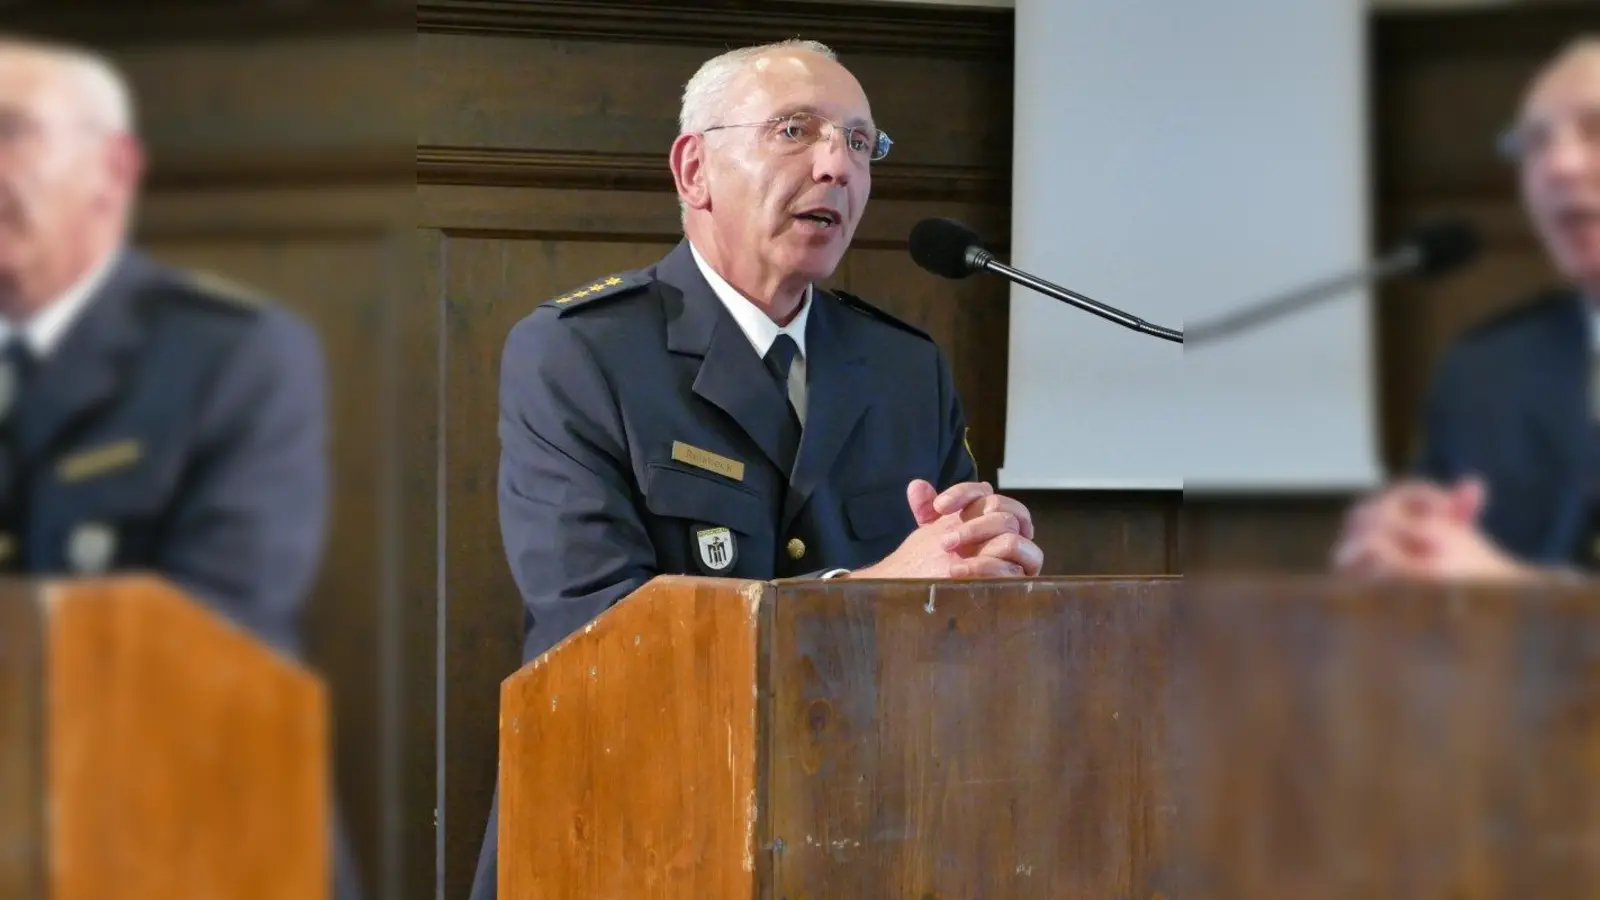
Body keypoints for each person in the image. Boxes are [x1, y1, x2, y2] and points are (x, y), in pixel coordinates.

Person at [469, 38, 1044, 898]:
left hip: (860, 837)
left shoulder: (904, 367)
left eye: (860, 143)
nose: (837, 166)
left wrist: (988, 560)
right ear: (694, 170)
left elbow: (950, 632)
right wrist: (870, 592)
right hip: (631, 833)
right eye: (795, 130)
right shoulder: (580, 353)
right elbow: (598, 637)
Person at [0, 37, 360, 899]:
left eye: (11, 131)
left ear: (113, 171)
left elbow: (218, 631)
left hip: (193, 831)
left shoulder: (231, 354)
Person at [1331, 36, 1600, 581]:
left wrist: (1514, 595)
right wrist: (1406, 540)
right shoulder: (1483, 371)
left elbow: (1494, 581)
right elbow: (1437, 555)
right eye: (1534, 143)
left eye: (1597, 131)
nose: (1560, 166)